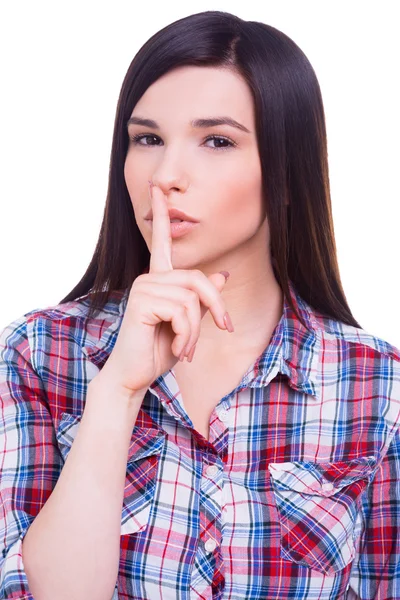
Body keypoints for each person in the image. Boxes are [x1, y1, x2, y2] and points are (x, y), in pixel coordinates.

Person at [1, 9, 399, 600]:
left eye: (216, 141)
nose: (165, 175)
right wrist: (119, 389)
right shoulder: (40, 353)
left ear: (287, 173)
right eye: (147, 139)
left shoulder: (377, 384)